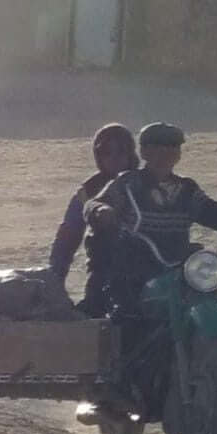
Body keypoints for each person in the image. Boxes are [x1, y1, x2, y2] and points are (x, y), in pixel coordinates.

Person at [80, 122, 217, 316]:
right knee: (127, 317)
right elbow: (95, 204)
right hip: (135, 269)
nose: (166, 152)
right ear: (144, 152)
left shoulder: (186, 189)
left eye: (173, 146)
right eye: (158, 146)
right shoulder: (129, 183)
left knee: (205, 292)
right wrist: (101, 210)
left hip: (178, 266)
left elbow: (209, 210)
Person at [49, 123, 138, 313]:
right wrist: (55, 278)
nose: (114, 157)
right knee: (94, 315)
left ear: (130, 153)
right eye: (106, 152)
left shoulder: (147, 182)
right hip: (105, 269)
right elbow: (67, 237)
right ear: (98, 157)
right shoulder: (88, 190)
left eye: (120, 150)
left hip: (147, 265)